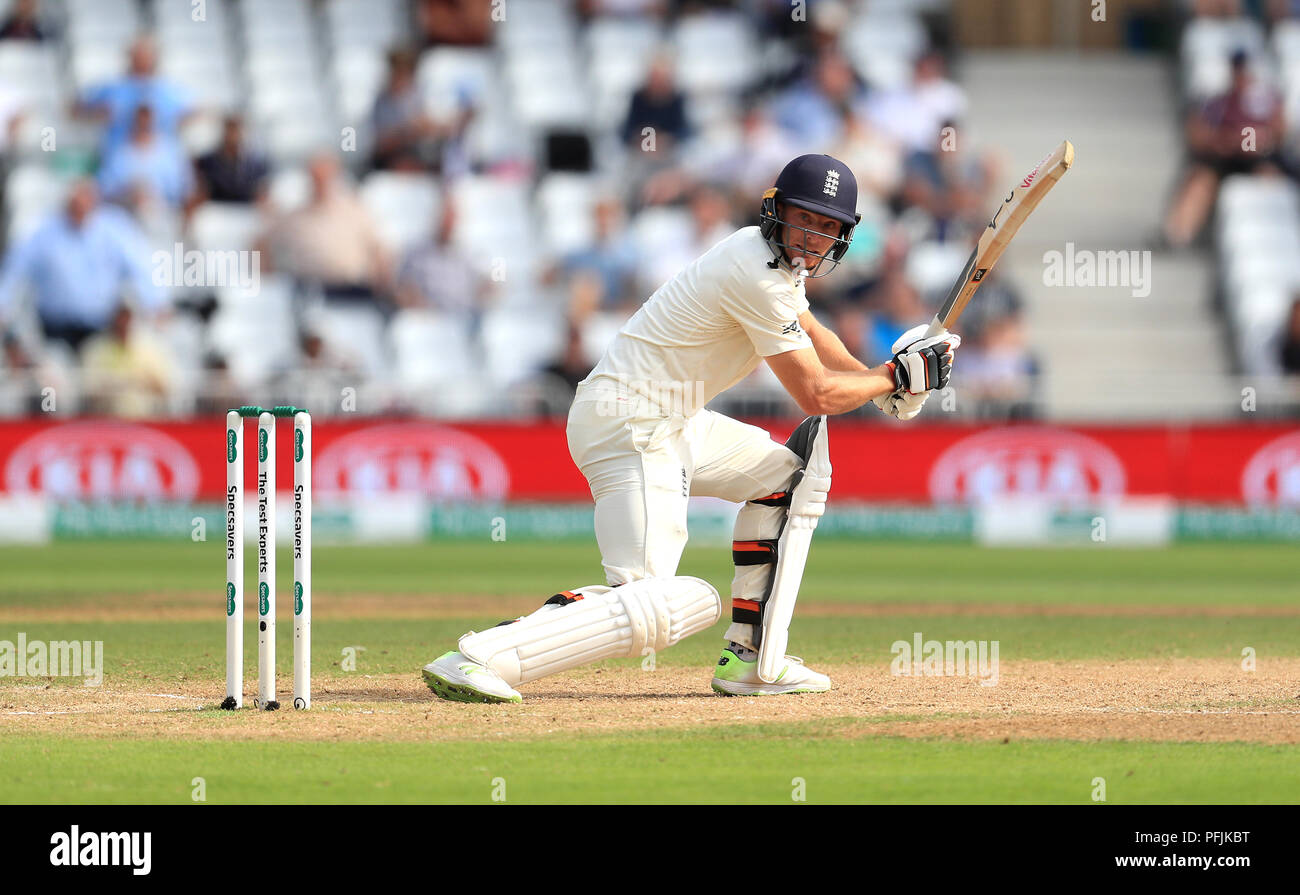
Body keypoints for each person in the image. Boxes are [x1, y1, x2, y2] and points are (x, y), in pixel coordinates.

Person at [422, 154, 961, 703]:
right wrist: (892, 376)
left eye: (827, 227)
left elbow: (814, 332)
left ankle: (751, 660)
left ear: (843, 237)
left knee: (784, 478)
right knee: (654, 603)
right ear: (777, 211)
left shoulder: (772, 262)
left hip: (670, 418)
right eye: (804, 219)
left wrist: (882, 385)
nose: (812, 236)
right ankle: (480, 655)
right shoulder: (757, 273)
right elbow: (815, 394)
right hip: (630, 421)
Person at [0, 180, 165, 351]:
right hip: (55, 329)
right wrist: (3, 305)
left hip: (101, 328)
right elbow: (16, 270)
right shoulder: (44, 231)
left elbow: (139, 267)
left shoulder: (115, 229)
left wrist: (155, 303)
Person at [1163, 49, 1285, 249]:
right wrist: (1224, 141)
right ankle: (1177, 234)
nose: (1241, 76)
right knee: (1200, 179)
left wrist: (1258, 141)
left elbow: (1279, 134)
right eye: (1238, 71)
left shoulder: (1268, 102)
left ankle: (1270, 240)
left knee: (1271, 177)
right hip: (1222, 161)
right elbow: (1197, 135)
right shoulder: (1217, 102)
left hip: (1258, 161)